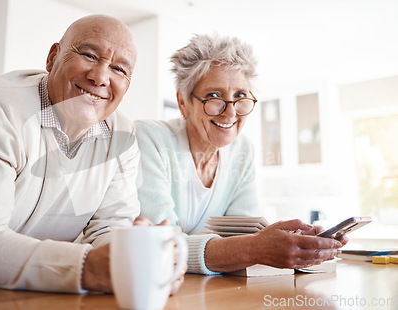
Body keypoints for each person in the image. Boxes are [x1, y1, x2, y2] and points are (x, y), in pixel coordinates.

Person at [0, 14, 154, 294]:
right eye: (89, 55)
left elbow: (109, 229)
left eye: (119, 69)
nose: (100, 77)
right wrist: (89, 266)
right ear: (53, 58)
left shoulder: (122, 135)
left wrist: (134, 257)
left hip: (24, 290)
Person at [135, 34, 347, 275]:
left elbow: (243, 236)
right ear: (183, 102)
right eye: (214, 97)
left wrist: (294, 240)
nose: (230, 113)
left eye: (240, 96)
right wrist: (251, 248)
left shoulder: (242, 151)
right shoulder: (150, 139)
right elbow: (161, 245)